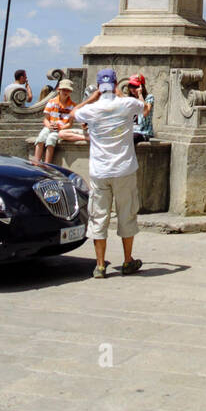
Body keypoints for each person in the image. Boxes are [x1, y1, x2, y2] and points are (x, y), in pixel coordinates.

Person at [69, 68, 149, 278]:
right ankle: (127, 260)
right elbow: (145, 107)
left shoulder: (92, 110)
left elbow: (72, 114)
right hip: (124, 169)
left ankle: (101, 265)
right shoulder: (126, 104)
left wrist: (92, 98)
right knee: (126, 214)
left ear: (98, 88)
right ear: (114, 86)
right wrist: (121, 94)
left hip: (100, 171)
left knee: (99, 217)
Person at [31, 80, 85, 165]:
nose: (65, 92)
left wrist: (61, 128)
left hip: (60, 130)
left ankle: (47, 164)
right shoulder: (52, 102)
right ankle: (36, 161)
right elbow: (46, 119)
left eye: (67, 90)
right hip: (50, 126)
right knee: (41, 137)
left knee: (51, 139)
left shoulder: (72, 106)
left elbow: (70, 124)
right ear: (59, 90)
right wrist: (49, 126)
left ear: (70, 91)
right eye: (64, 90)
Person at [126, 74, 155, 142]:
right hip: (131, 130)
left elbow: (145, 112)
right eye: (131, 86)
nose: (132, 89)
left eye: (135, 86)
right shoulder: (130, 99)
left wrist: (140, 95)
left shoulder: (149, 97)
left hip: (143, 132)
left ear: (141, 86)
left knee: (131, 137)